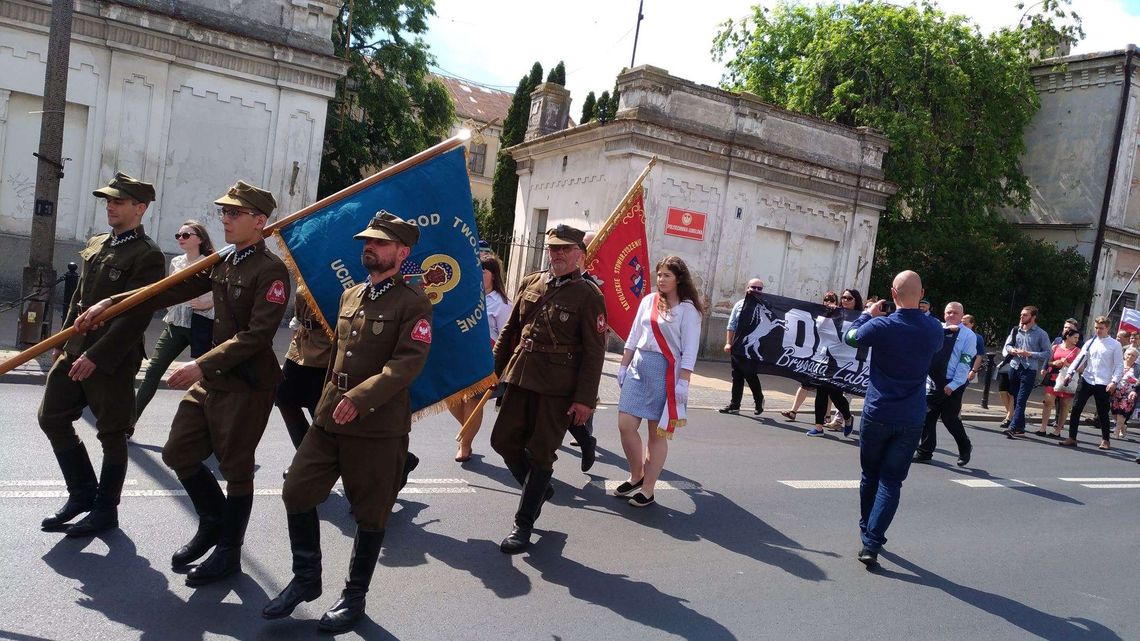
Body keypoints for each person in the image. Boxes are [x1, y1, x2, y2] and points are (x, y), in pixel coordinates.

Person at [77, 180, 290, 585]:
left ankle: (228, 551)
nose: (224, 219)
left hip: (246, 384)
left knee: (236, 469)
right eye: (223, 212)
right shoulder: (224, 261)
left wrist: (201, 365)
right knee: (178, 453)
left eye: (234, 213)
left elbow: (258, 336)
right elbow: (169, 290)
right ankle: (212, 522)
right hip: (213, 379)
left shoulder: (271, 271)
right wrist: (114, 302)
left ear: (259, 221)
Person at [263, 212, 432, 632]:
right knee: (297, 491)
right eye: (366, 241)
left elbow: (406, 365)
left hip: (376, 426)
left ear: (402, 252)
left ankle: (354, 596)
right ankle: (306, 578)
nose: (368, 248)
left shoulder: (414, 303)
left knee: (370, 514)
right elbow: (337, 355)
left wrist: (359, 398)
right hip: (329, 417)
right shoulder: (351, 295)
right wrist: (327, 402)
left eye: (379, 242)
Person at [37, 172, 166, 537]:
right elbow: (79, 296)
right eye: (108, 200)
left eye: (119, 201)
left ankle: (106, 510)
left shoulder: (148, 255)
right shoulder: (99, 242)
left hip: (112, 359)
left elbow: (136, 316)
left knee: (112, 434)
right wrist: (61, 337)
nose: (110, 206)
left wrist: (96, 355)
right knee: (52, 416)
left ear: (139, 208)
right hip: (75, 348)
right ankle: (81, 495)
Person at [489, 224, 606, 553]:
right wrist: (493, 374)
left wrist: (584, 400)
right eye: (552, 248)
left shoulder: (588, 295)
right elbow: (511, 329)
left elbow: (595, 352)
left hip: (558, 386)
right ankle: (538, 488)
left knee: (540, 453)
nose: (556, 254)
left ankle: (523, 525)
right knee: (502, 440)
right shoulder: (532, 282)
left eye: (564, 249)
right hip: (521, 374)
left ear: (579, 255)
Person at [843, 270, 942, 567]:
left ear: (893, 294)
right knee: (892, 481)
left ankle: (866, 530)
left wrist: (866, 315)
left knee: (869, 475)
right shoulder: (934, 328)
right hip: (911, 416)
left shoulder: (882, 325)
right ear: (922, 293)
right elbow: (935, 349)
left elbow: (850, 338)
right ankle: (872, 541)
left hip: (878, 412)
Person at [614, 256, 703, 507]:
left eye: (667, 275)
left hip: (666, 372)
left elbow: (690, 349)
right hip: (639, 367)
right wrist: (623, 364)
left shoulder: (688, 310)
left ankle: (648, 489)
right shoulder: (648, 301)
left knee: (656, 432)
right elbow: (633, 335)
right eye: (660, 274)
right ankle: (636, 474)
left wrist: (684, 381)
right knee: (625, 424)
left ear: (679, 279)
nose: (661, 279)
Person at [134, 220, 216, 430]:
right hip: (175, 323)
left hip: (202, 325)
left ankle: (211, 430)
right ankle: (128, 424)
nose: (181, 239)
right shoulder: (176, 263)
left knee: (208, 379)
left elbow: (222, 293)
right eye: (178, 235)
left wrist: (209, 302)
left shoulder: (211, 262)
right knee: (153, 371)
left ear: (200, 239)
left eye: (186, 235)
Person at [452, 255, 512, 463]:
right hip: (462, 355)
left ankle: (465, 445)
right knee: (451, 398)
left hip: (486, 359)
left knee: (472, 401)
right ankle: (468, 429)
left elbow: (508, 335)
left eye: (483, 271)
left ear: (493, 275)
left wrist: (501, 367)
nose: (478, 274)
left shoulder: (502, 303)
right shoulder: (468, 296)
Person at [913, 302, 976, 466]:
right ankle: (925, 452)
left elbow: (965, 361)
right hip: (933, 380)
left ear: (962, 315)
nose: (951, 315)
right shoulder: (937, 328)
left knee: (950, 419)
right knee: (927, 417)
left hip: (953, 382)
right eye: (948, 312)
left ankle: (965, 446)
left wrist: (954, 385)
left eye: (955, 313)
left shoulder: (968, 335)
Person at [275, 285, 333, 450]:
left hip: (328, 349)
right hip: (302, 343)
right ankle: (305, 456)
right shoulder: (309, 266)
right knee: (284, 398)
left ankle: (398, 460)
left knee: (320, 411)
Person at [1060, 316, 1122, 450]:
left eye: (1101, 328)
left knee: (1102, 412)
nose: (1098, 330)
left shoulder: (1115, 345)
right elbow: (1079, 359)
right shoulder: (1090, 342)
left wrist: (1114, 381)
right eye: (1096, 328)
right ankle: (1072, 437)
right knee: (1076, 408)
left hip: (1103, 382)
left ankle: (1106, 440)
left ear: (1107, 328)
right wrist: (1070, 373)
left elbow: (1119, 366)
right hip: (1087, 379)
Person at [807, 288, 862, 437]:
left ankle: (847, 416)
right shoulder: (835, 313)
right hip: (827, 357)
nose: (845, 300)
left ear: (856, 300)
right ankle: (818, 427)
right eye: (843, 297)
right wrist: (827, 312)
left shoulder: (861, 317)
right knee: (821, 390)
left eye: (849, 298)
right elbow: (819, 327)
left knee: (835, 394)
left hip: (845, 360)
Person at [780, 291, 838, 422]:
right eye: (826, 299)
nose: (828, 302)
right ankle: (793, 411)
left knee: (827, 388)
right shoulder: (819, 314)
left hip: (831, 355)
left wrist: (835, 312)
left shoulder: (840, 315)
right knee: (805, 383)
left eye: (832, 300)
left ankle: (827, 415)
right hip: (816, 353)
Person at [1001, 306, 1051, 438]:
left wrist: (1029, 354)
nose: (1021, 317)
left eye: (1025, 315)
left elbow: (1047, 353)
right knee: (1017, 398)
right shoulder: (1016, 330)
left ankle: (1012, 426)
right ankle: (1020, 428)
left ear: (1033, 317)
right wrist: (1012, 350)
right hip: (1015, 366)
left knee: (1022, 399)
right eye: (1021, 314)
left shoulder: (1041, 333)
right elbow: (1008, 345)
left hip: (1029, 369)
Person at [720, 278, 766, 416]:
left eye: (759, 288)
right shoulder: (739, 304)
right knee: (737, 375)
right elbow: (731, 324)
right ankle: (735, 405)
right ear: (747, 288)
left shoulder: (765, 306)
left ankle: (759, 400)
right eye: (753, 287)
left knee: (750, 374)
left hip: (753, 346)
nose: (756, 290)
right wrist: (728, 342)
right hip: (738, 345)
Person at [1039, 328, 1082, 438]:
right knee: (1048, 401)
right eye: (1075, 337)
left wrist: (1067, 364)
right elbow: (1047, 362)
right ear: (1067, 336)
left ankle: (1058, 430)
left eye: (1078, 338)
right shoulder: (1056, 347)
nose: (1077, 340)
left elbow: (1081, 369)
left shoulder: (1078, 351)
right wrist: (1054, 363)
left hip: (1067, 380)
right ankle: (1042, 428)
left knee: (1064, 404)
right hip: (1053, 377)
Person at [1110, 346, 1140, 439]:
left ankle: (1116, 431)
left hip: (1129, 393)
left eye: (1133, 355)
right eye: (1128, 354)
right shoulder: (1119, 364)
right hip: (1116, 391)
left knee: (1122, 412)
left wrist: (1135, 389)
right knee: (1114, 412)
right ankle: (1123, 426)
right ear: (1124, 355)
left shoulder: (1138, 368)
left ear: (1136, 358)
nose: (1130, 357)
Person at [961, 314, 987, 385]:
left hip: (966, 370)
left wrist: (973, 371)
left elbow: (979, 356)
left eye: (965, 324)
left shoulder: (977, 338)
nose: (962, 326)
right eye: (961, 324)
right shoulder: (956, 335)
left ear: (972, 324)